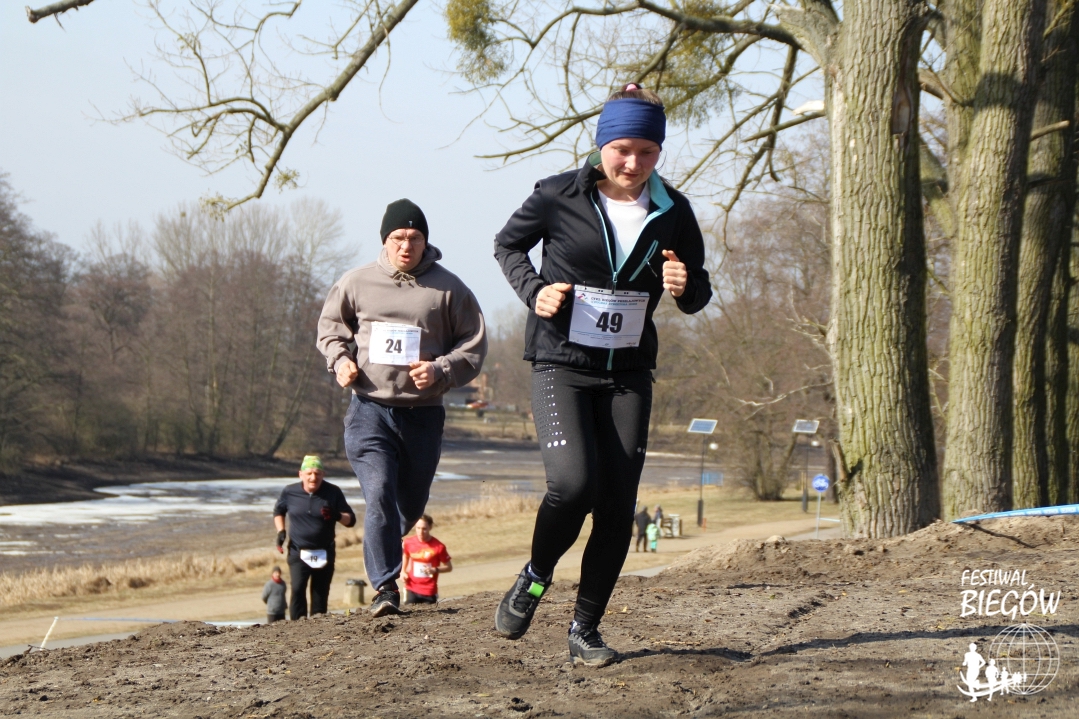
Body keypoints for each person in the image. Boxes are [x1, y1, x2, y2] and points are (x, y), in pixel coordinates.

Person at [491, 84, 711, 666]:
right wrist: (534, 291)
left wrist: (686, 287)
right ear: (601, 144)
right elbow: (508, 246)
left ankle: (585, 628)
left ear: (659, 151)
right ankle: (535, 576)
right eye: (622, 150)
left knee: (616, 505)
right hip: (561, 363)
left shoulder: (674, 210)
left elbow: (698, 288)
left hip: (628, 374)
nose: (633, 163)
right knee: (573, 486)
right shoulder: (557, 194)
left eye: (647, 152)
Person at [317, 199, 487, 617]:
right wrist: (341, 361)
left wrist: (441, 370)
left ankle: (384, 553)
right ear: (385, 240)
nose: (406, 246)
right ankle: (385, 588)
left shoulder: (449, 289)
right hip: (369, 409)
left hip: (423, 414)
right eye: (398, 238)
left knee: (408, 505)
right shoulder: (356, 282)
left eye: (414, 238)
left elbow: (473, 345)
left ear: (426, 241)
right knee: (378, 493)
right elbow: (330, 330)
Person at [273, 455, 356, 620]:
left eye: (317, 473)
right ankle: (297, 626)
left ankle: (318, 628)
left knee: (320, 594)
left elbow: (351, 520)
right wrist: (281, 531)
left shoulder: (333, 492)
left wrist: (336, 515)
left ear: (323, 474)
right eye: (309, 473)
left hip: (325, 551)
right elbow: (278, 511)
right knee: (297, 590)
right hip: (298, 551)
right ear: (301, 474)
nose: (313, 477)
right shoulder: (290, 492)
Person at [400, 514, 452, 604]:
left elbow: (449, 567)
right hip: (411, 587)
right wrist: (403, 571)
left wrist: (435, 570)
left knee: (429, 612)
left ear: (430, 528)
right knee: (408, 611)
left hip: (429, 590)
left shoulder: (438, 546)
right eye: (418, 528)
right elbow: (405, 555)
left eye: (424, 529)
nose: (421, 532)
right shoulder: (408, 542)